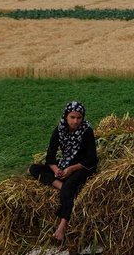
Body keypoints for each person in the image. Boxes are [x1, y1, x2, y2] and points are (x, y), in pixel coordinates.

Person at [28, 100, 97, 241]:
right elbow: (50, 158)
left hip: (82, 167)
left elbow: (91, 159)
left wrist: (71, 169)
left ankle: (62, 226)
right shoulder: (59, 130)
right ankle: (59, 185)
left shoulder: (87, 131)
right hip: (64, 165)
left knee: (69, 188)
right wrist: (56, 170)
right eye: (72, 117)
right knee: (34, 168)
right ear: (66, 116)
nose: (75, 121)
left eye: (79, 118)